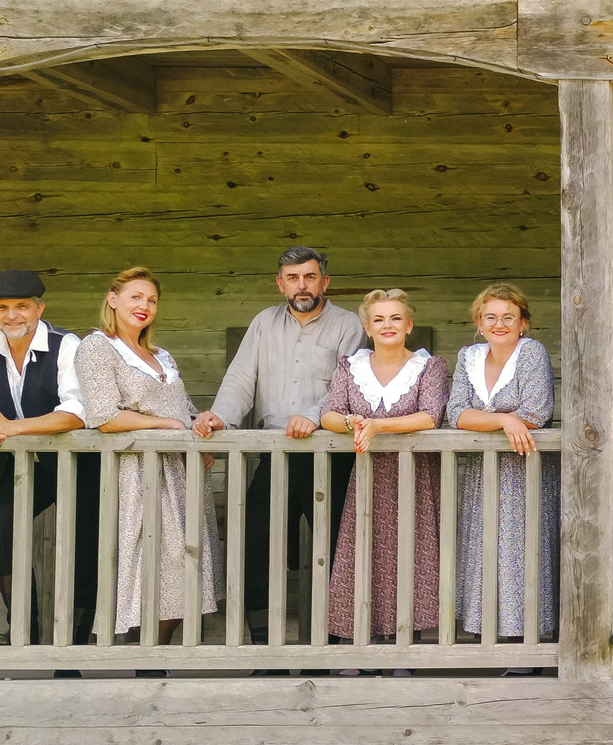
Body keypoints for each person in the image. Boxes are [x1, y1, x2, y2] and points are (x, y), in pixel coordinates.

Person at [191, 246, 363, 642]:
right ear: (280, 283)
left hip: (329, 454)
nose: (301, 285)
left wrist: (316, 416)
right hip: (275, 454)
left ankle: (336, 642)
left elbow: (348, 385)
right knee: (256, 545)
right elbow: (240, 378)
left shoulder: (348, 325)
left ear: (324, 281)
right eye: (292, 277)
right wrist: (220, 415)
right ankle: (265, 642)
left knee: (338, 548)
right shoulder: (264, 323)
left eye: (309, 276)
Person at [0, 268, 97, 637]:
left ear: (39, 308)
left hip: (77, 464)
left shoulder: (68, 345)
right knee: (1, 527)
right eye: (2, 307)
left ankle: (74, 642)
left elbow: (78, 411)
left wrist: (10, 427)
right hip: (17, 465)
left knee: (83, 541)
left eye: (22, 306)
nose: (12, 315)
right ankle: (23, 630)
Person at [74, 267, 218, 645]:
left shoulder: (160, 355)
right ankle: (143, 659)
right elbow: (105, 416)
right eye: (135, 297)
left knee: (183, 566)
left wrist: (198, 421)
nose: (144, 305)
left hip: (181, 473)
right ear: (113, 299)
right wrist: (171, 426)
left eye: (151, 300)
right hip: (139, 472)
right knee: (149, 567)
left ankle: (158, 655)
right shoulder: (97, 347)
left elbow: (182, 409)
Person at [318, 288, 448, 646]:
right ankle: (358, 640)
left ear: (409, 325)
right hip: (366, 476)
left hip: (415, 477)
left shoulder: (429, 366)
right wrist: (352, 423)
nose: (387, 325)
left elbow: (430, 415)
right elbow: (328, 413)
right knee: (362, 553)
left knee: (410, 553)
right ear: (367, 327)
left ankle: (404, 642)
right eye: (378, 319)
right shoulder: (350, 366)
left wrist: (378, 425)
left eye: (395, 318)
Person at [446, 283, 557, 644]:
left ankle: (524, 640)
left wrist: (505, 420)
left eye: (509, 317)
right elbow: (455, 413)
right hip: (482, 471)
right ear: (479, 323)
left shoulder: (531, 352)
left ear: (523, 323)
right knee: (483, 548)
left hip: (523, 467)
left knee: (520, 552)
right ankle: (488, 634)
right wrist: (505, 420)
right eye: (491, 317)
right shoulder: (469, 356)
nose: (500, 324)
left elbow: (537, 412)